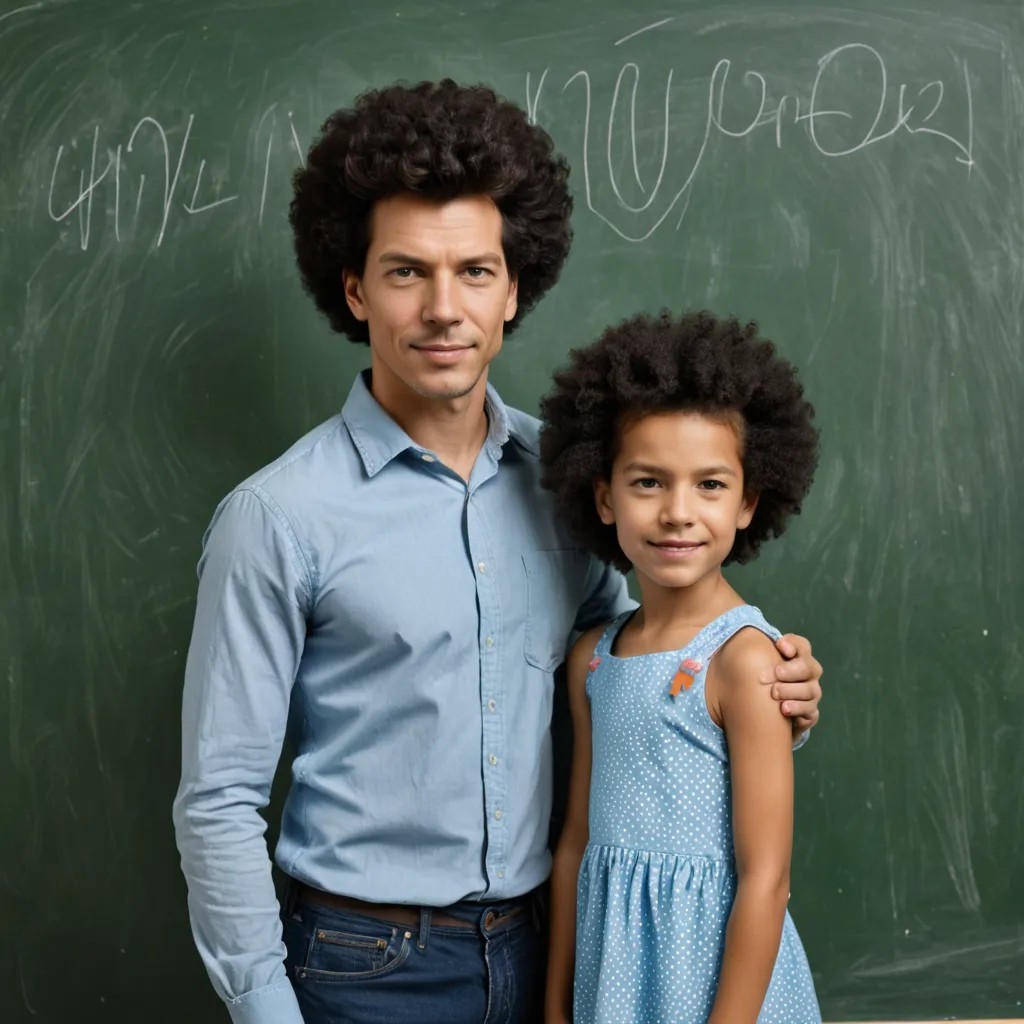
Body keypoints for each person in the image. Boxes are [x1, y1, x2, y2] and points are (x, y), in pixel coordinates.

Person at [172, 81, 824, 1024]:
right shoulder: (277, 518)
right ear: (353, 288)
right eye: (406, 272)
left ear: (515, 286)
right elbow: (219, 800)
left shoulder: (574, 485)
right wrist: (267, 1011)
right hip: (365, 968)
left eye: (475, 271)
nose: (445, 309)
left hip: (559, 951)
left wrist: (773, 686)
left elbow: (636, 659)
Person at [540, 310, 822, 1023]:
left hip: (720, 988)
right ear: (603, 496)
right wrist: (555, 1002)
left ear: (750, 500)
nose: (677, 512)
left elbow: (766, 880)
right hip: (616, 977)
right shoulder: (592, 661)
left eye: (710, 485)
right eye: (647, 483)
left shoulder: (746, 663)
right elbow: (576, 845)